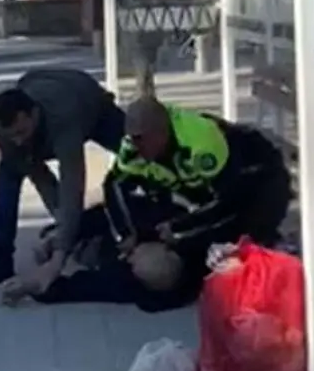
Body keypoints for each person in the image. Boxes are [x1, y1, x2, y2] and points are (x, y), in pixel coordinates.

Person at [0, 69, 126, 287]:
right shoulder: (7, 136)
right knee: (7, 177)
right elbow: (42, 179)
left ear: (34, 115)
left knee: (137, 150)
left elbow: (72, 182)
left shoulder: (62, 117)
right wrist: (65, 231)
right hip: (41, 84)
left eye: (21, 132)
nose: (18, 141)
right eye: (12, 135)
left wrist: (61, 247)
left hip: (90, 104)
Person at [104, 96, 291, 253]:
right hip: (208, 183)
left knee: (234, 234)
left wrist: (179, 228)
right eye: (132, 138)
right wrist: (126, 233)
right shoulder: (133, 150)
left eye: (141, 139)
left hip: (259, 172)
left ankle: (269, 241)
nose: (137, 146)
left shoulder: (201, 145)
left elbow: (228, 200)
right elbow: (113, 185)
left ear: (161, 132)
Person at [0, 202, 209, 312]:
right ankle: (60, 237)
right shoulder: (157, 221)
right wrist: (61, 239)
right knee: (59, 236)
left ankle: (77, 245)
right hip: (110, 230)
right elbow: (108, 212)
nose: (129, 258)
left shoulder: (130, 284)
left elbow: (84, 289)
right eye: (134, 256)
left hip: (101, 254)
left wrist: (34, 288)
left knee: (95, 262)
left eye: (131, 263)